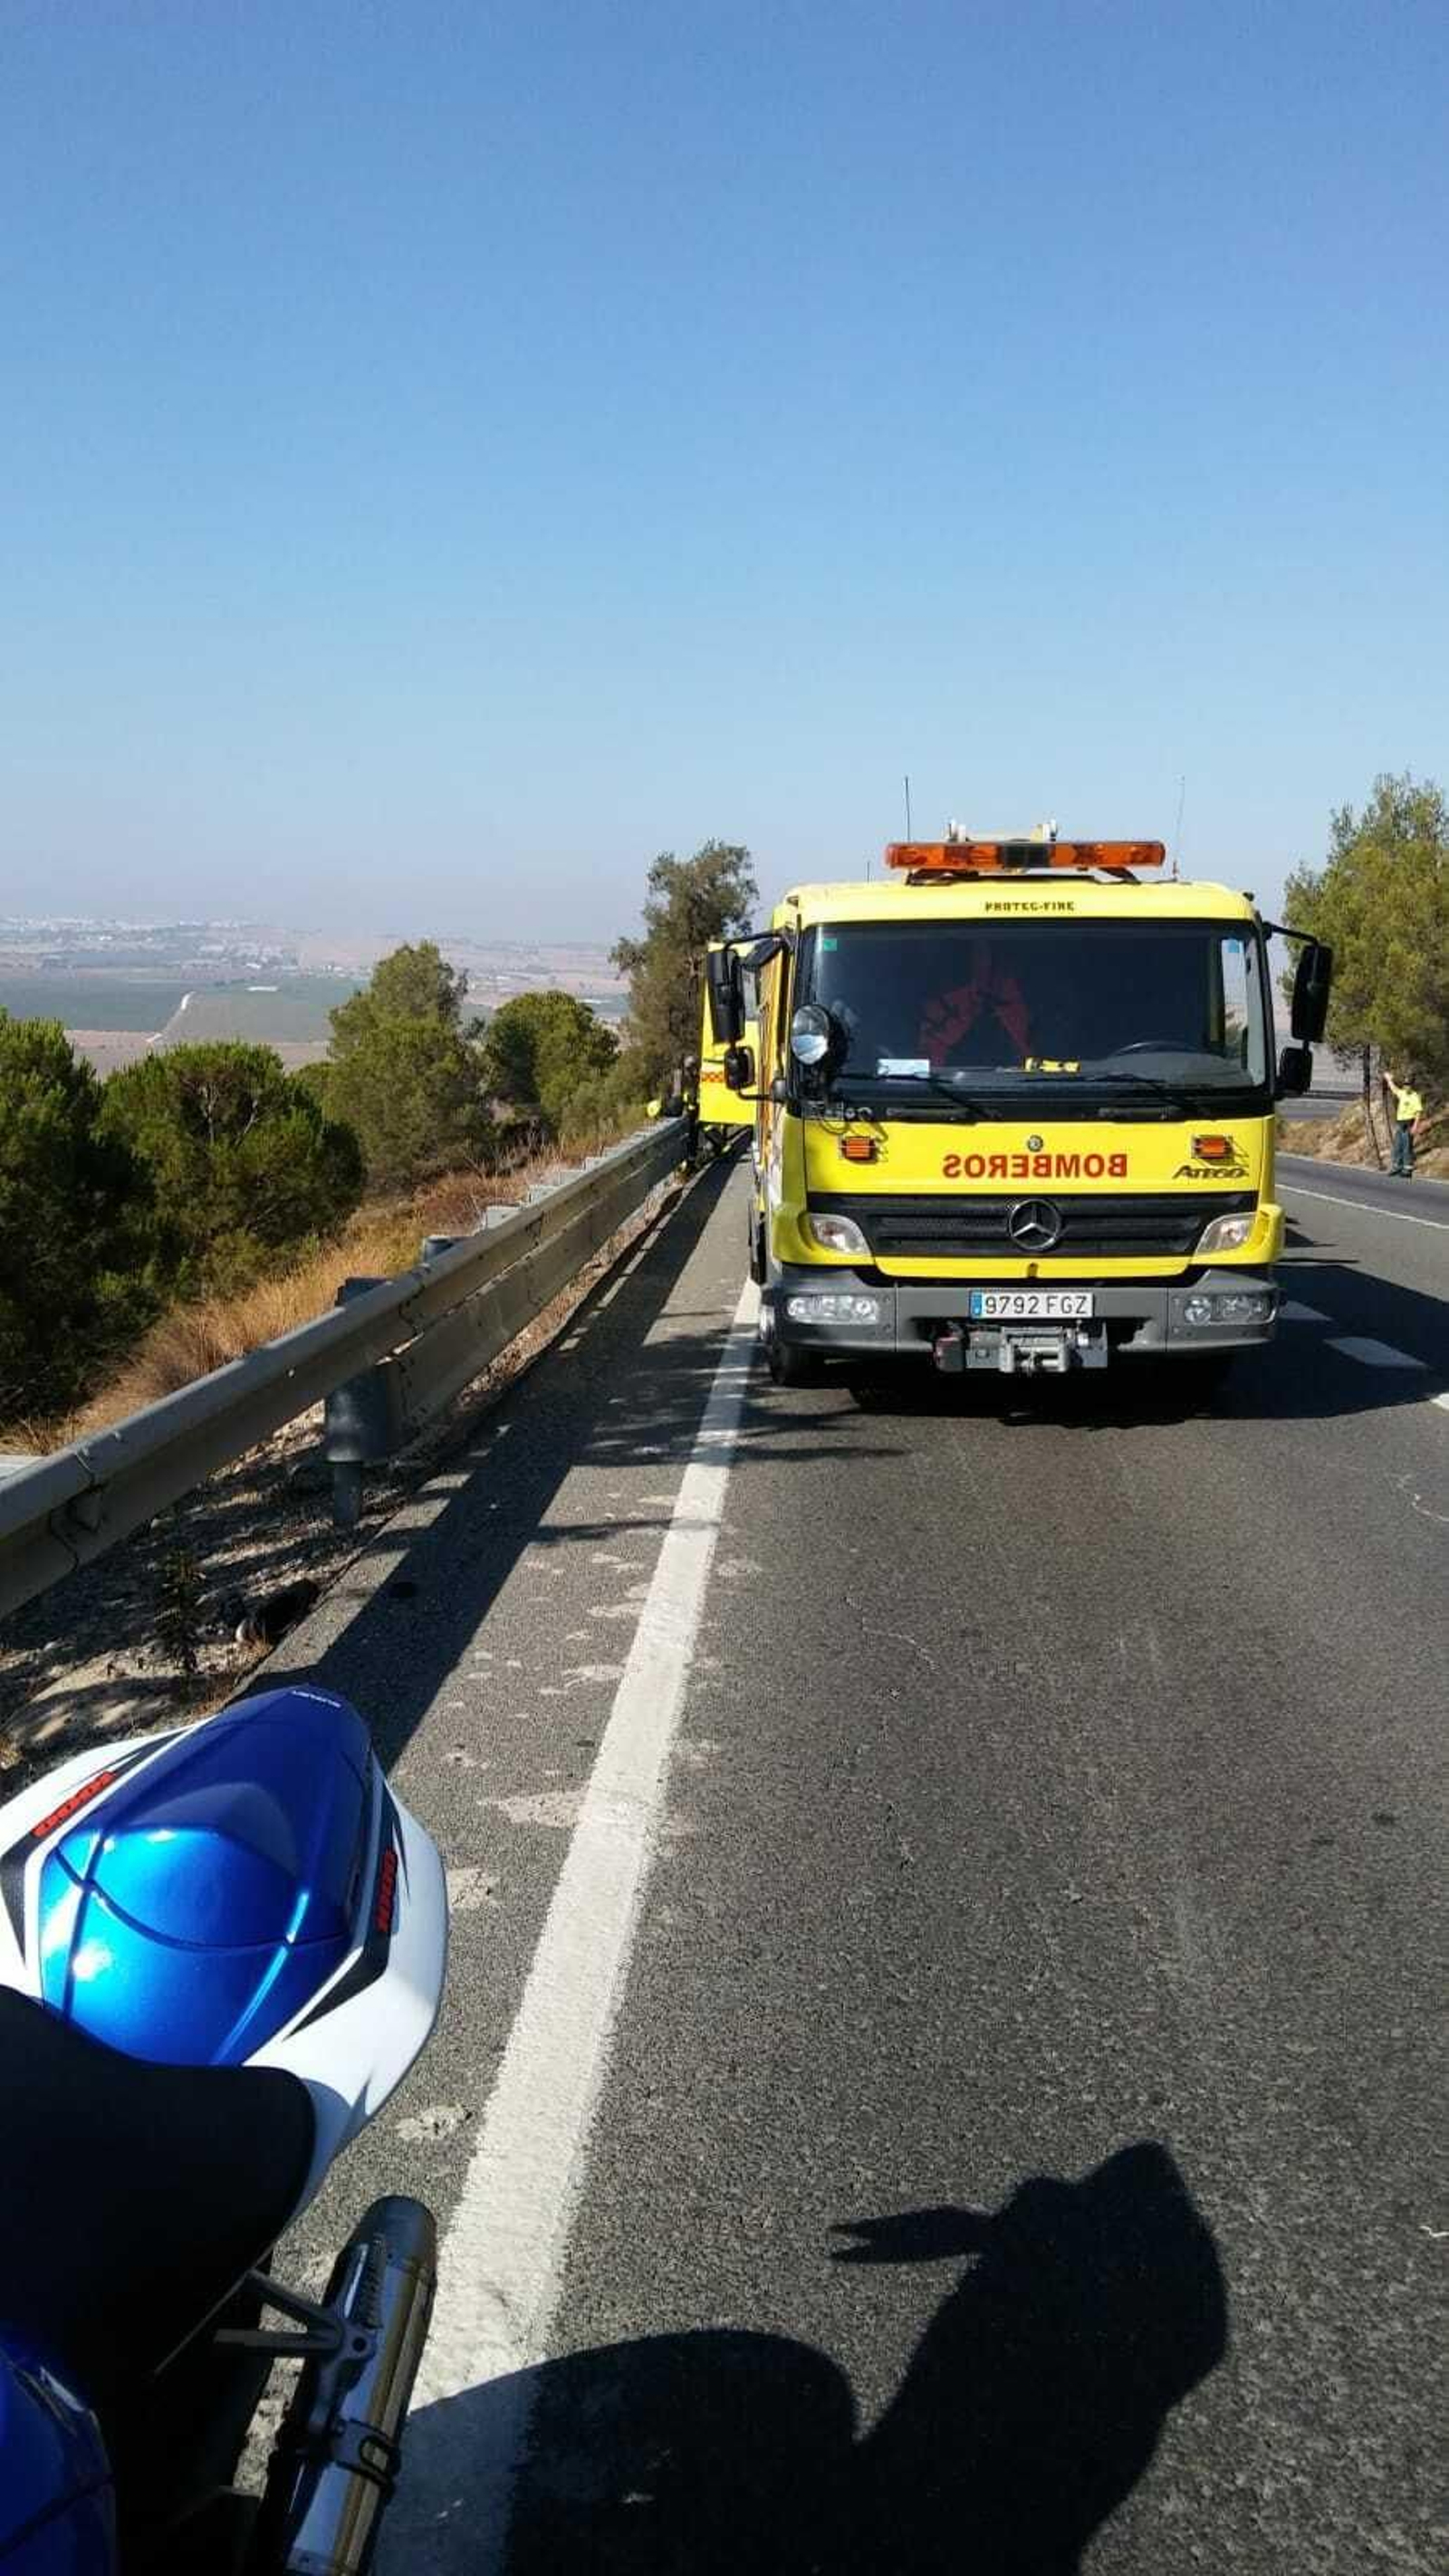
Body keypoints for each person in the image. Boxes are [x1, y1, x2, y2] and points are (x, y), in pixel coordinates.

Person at [1384, 1071, 1424, 1177]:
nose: (1406, 1086)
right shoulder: (1402, 1093)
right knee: (1397, 1146)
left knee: (1407, 1147)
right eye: (1405, 1084)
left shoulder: (1415, 1096)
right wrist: (1389, 1080)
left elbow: (1418, 1112)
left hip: (1408, 1124)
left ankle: (1407, 1169)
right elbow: (1394, 1089)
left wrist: (1415, 1126)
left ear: (1412, 1085)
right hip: (1400, 1124)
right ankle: (1397, 1166)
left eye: (1409, 1084)